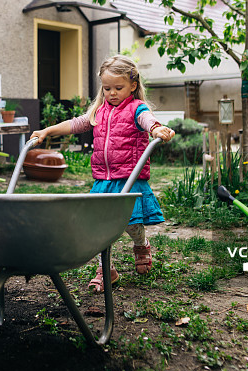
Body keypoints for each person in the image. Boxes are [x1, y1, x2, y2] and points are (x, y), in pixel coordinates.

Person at [30, 55, 175, 293]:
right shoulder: (99, 111)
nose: (112, 93)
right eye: (107, 88)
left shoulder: (136, 108)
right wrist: (48, 130)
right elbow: (76, 124)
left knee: (131, 223)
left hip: (129, 178)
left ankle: (141, 245)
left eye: (118, 88)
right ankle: (106, 270)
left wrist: (156, 128)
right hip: (103, 181)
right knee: (97, 227)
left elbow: (146, 119)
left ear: (133, 85)